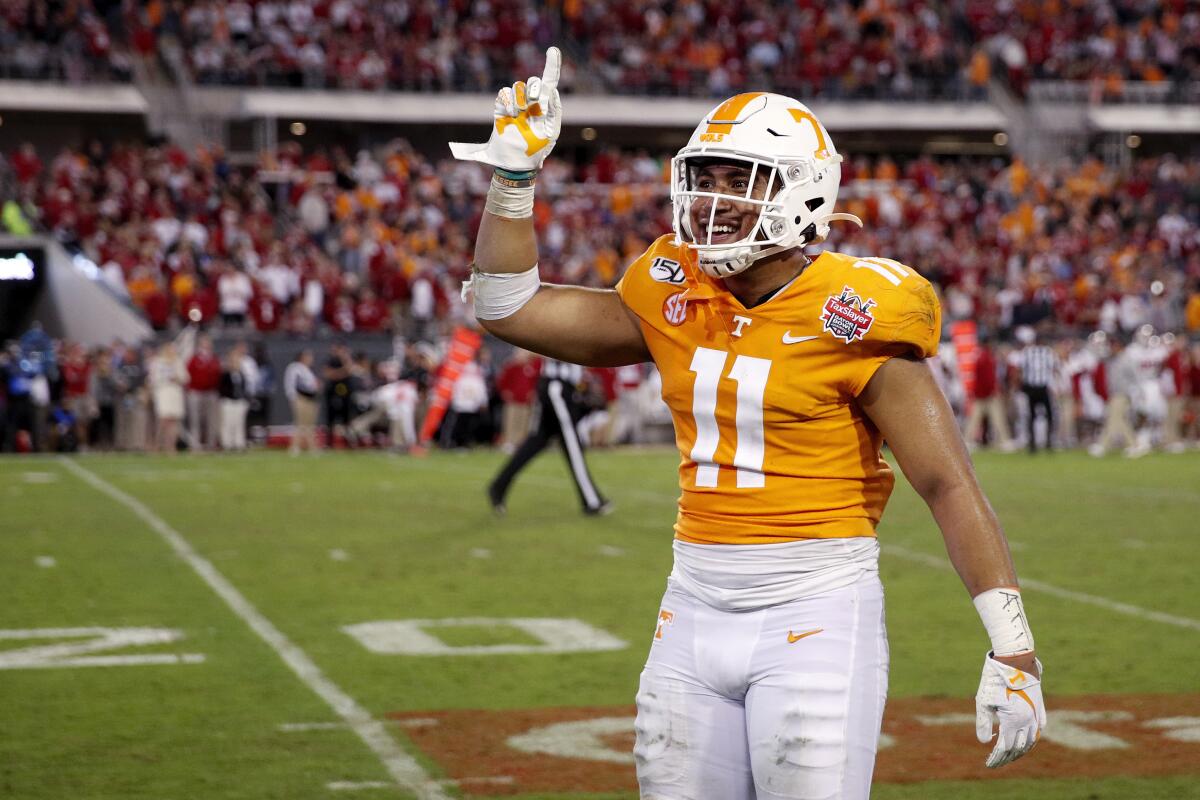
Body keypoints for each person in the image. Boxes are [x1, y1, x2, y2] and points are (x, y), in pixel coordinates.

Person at [453, 49, 1045, 797]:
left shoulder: (856, 309)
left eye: (743, 180)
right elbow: (507, 305)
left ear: (803, 193)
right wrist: (513, 180)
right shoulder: (673, 287)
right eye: (706, 178)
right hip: (692, 602)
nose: (714, 199)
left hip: (816, 607)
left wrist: (1014, 650)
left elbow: (947, 483)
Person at [486, 356, 612, 516]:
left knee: (537, 440)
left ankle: (499, 485)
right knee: (572, 442)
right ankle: (591, 501)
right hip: (557, 387)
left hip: (556, 386)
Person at [284, 349, 321, 454]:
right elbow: (291, 383)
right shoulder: (295, 368)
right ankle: (295, 447)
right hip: (301, 398)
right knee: (300, 424)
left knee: (310, 425)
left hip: (310, 399)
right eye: (308, 356)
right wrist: (293, 398)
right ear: (302, 357)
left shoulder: (308, 370)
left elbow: (312, 386)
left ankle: (312, 447)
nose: (311, 359)